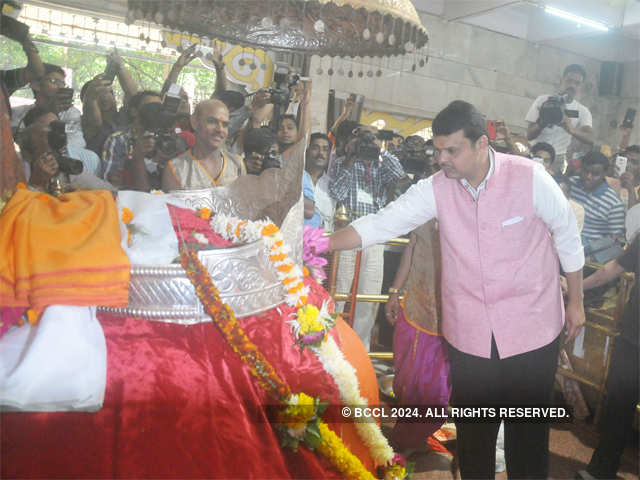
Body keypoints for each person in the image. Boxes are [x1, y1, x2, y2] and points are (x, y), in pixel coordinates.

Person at [329, 100, 585, 478]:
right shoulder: (435, 189)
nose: (441, 159)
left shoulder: (530, 177)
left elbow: (566, 234)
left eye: (452, 150)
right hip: (470, 333)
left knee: (526, 434)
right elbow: (382, 224)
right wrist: (319, 242)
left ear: (482, 144)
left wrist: (576, 302)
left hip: (532, 329)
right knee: (474, 435)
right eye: (438, 149)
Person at [329, 125, 406, 350]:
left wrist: (379, 148)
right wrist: (351, 157)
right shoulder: (344, 162)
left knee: (368, 295)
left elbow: (400, 175)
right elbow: (337, 193)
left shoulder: (381, 163)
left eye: (371, 137)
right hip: (347, 231)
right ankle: (329, 345)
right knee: (339, 290)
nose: (366, 142)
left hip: (374, 233)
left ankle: (359, 349)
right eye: (362, 136)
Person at [576, 236, 638, 480]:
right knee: (617, 413)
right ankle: (600, 471)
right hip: (633, 339)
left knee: (617, 413)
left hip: (633, 340)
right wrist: (577, 287)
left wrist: (576, 287)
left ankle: (600, 471)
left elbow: (611, 270)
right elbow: (610, 269)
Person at [162, 99, 245, 190]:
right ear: (194, 122)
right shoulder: (176, 168)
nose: (220, 129)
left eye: (225, 125)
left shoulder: (237, 164)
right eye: (212, 121)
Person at [526, 64, 593, 175]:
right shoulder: (543, 100)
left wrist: (571, 129)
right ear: (562, 80)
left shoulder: (582, 111)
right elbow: (529, 135)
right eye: (569, 81)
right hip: (535, 152)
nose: (572, 85)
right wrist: (543, 121)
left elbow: (591, 138)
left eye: (577, 83)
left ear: (581, 86)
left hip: (557, 158)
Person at [101, 90, 162, 189]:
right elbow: (110, 185)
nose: (154, 112)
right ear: (134, 111)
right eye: (149, 107)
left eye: (159, 109)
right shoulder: (117, 140)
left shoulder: (167, 140)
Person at [81, 51, 138, 156]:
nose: (104, 97)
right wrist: (90, 96)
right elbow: (94, 121)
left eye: (109, 92)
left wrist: (120, 67)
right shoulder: (87, 125)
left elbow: (134, 97)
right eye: (98, 95)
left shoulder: (123, 117)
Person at [569, 151, 625, 244]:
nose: (588, 177)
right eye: (586, 171)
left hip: (589, 252)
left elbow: (616, 241)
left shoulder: (614, 204)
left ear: (605, 174)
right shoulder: (570, 185)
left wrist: (592, 257)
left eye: (595, 174)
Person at [305, 132, 333, 231]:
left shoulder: (333, 185)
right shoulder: (296, 178)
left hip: (322, 241)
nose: (321, 153)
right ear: (307, 150)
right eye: (315, 148)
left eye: (325, 149)